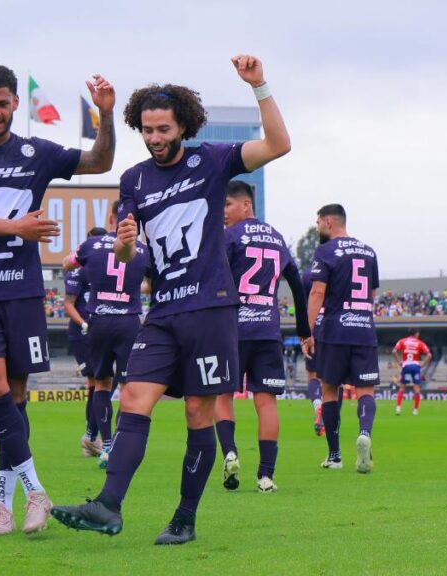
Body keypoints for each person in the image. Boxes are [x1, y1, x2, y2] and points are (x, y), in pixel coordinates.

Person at [52, 54, 291, 545]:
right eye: (146, 129)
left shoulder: (214, 160)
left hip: (209, 309)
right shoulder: (135, 179)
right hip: (162, 312)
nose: (155, 138)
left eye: (163, 128)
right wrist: (122, 241)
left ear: (183, 124)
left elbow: (279, 144)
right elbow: (127, 250)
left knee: (197, 415)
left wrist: (259, 85)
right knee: (135, 397)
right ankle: (108, 506)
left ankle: (184, 519)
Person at [0, 64, 115, 536]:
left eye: (2, 103)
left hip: (22, 290)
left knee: (14, 398)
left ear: (15, 103)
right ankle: (36, 491)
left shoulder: (38, 152)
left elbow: (99, 162)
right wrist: (18, 227)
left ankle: (1, 506)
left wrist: (107, 115)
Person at [215, 181, 309, 493]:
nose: (223, 212)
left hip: (233, 330)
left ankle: (229, 453)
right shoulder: (279, 238)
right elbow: (297, 285)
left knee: (222, 395)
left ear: (245, 205)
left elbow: (215, 280)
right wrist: (304, 331)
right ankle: (265, 476)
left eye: (227, 205)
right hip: (268, 331)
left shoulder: (229, 237)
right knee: (266, 403)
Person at [64, 202, 149, 470]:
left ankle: (107, 445)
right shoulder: (145, 250)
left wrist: (75, 259)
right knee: (127, 387)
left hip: (99, 320)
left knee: (101, 385)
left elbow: (68, 265)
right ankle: (121, 444)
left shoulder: (92, 245)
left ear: (111, 218)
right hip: (128, 321)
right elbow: (152, 284)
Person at [302, 203, 380, 474]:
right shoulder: (369, 251)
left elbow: (316, 294)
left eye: (318, 222)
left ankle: (334, 456)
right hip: (363, 329)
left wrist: (307, 332)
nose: (317, 227)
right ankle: (365, 435)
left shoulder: (325, 251)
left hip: (334, 330)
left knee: (329, 390)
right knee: (365, 391)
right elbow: (371, 296)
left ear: (329, 222)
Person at [63, 227, 107, 458]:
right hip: (83, 334)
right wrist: (84, 324)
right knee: (96, 381)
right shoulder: (77, 271)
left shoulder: (105, 268)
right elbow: (68, 304)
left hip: (102, 330)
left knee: (100, 383)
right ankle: (92, 437)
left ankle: (91, 436)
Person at [302, 267, 324, 436]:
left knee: (312, 375)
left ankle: (318, 406)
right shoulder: (338, 268)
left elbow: (304, 302)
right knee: (333, 382)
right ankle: (330, 420)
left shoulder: (308, 275)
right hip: (333, 327)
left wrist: (305, 332)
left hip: (314, 328)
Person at [392, 329, 432, 416]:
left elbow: (394, 351)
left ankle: (398, 409)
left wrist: (399, 362)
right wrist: (423, 364)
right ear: (416, 334)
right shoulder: (420, 343)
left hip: (406, 366)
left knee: (402, 388)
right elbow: (429, 355)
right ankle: (415, 411)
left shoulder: (402, 341)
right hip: (415, 367)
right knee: (416, 388)